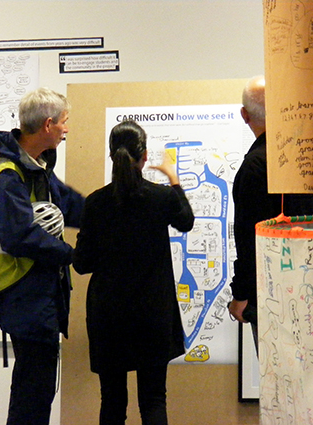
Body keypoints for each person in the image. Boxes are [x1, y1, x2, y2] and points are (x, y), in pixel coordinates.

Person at [73, 120, 194, 425]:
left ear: (111, 155)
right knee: (153, 399)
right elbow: (186, 221)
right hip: (153, 313)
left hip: (108, 315)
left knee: (112, 401)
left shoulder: (96, 202)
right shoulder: (161, 197)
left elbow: (82, 263)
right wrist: (174, 180)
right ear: (144, 155)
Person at [0, 87, 84, 425]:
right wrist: (71, 254)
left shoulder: (36, 167)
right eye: (63, 122)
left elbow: (69, 204)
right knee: (33, 393)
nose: (66, 129)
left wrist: (112, 213)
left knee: (37, 390)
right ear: (47, 125)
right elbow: (20, 237)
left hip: (38, 297)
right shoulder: (8, 173)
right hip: (23, 295)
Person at [227, 75, 313, 350]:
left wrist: (241, 293)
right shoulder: (304, 157)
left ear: (244, 115)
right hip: (307, 283)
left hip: (268, 291)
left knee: (275, 369)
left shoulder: (253, 167)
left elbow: (248, 236)